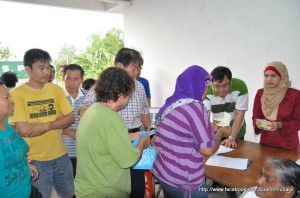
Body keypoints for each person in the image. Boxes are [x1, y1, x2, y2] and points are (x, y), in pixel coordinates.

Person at [83, 47, 150, 198]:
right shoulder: (101, 88)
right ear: (120, 66)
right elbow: (85, 109)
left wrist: (147, 129)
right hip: (110, 138)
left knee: (137, 186)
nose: (137, 72)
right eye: (135, 67)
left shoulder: (139, 86)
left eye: (139, 68)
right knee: (116, 174)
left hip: (134, 134)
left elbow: (144, 112)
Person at [9, 48, 75, 198]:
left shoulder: (56, 90)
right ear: (28, 69)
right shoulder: (17, 94)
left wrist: (45, 126)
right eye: (41, 68)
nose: (46, 72)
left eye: (48, 67)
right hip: (34, 159)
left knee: (70, 194)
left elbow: (70, 118)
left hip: (61, 155)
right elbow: (25, 130)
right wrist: (58, 120)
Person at [152, 65, 225, 198]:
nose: (207, 90)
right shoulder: (196, 107)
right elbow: (207, 150)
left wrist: (207, 129)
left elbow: (175, 134)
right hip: (185, 181)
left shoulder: (170, 104)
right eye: (206, 85)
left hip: (163, 173)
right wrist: (220, 134)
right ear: (197, 84)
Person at [0, 82, 39, 197]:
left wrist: (24, 165)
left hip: (27, 191)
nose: (12, 101)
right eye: (7, 97)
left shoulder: (6, 123)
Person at [252, 61, 300, 151]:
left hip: (288, 146)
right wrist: (257, 123)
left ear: (282, 76)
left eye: (273, 76)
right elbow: (256, 115)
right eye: (266, 76)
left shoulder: (295, 95)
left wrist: (280, 125)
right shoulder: (261, 93)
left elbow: (298, 122)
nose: (269, 79)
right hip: (266, 143)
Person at [203, 66, 249, 148]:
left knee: (237, 155)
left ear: (230, 82)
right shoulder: (207, 90)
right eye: (216, 86)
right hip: (218, 131)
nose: (221, 90)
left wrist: (232, 137)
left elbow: (239, 114)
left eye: (225, 86)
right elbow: (205, 116)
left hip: (236, 133)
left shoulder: (240, 86)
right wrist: (210, 126)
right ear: (211, 83)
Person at [62, 64, 87, 177]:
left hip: (85, 151)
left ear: (82, 79)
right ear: (63, 77)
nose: (72, 83)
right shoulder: (57, 97)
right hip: (63, 151)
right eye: (68, 78)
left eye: (76, 79)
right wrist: (68, 131)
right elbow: (48, 122)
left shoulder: (89, 97)